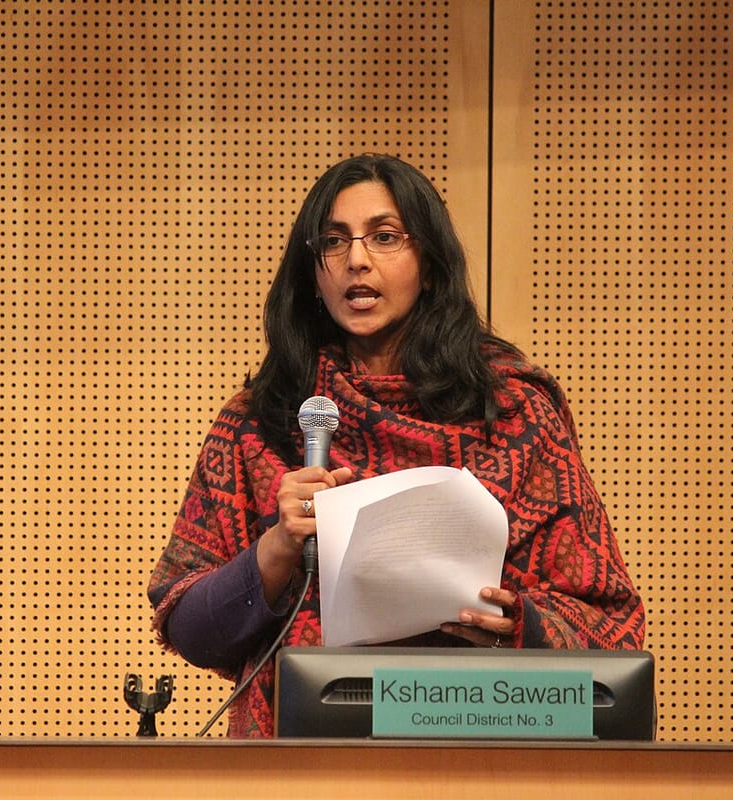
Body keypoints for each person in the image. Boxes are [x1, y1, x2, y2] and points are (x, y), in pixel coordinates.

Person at [147, 154, 646, 738]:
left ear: (429, 264)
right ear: (312, 271)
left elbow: (610, 625)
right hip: (297, 757)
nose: (357, 259)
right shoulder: (263, 421)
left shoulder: (514, 413)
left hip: (480, 739)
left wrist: (516, 622)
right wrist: (277, 549)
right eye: (334, 242)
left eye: (384, 237)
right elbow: (187, 627)